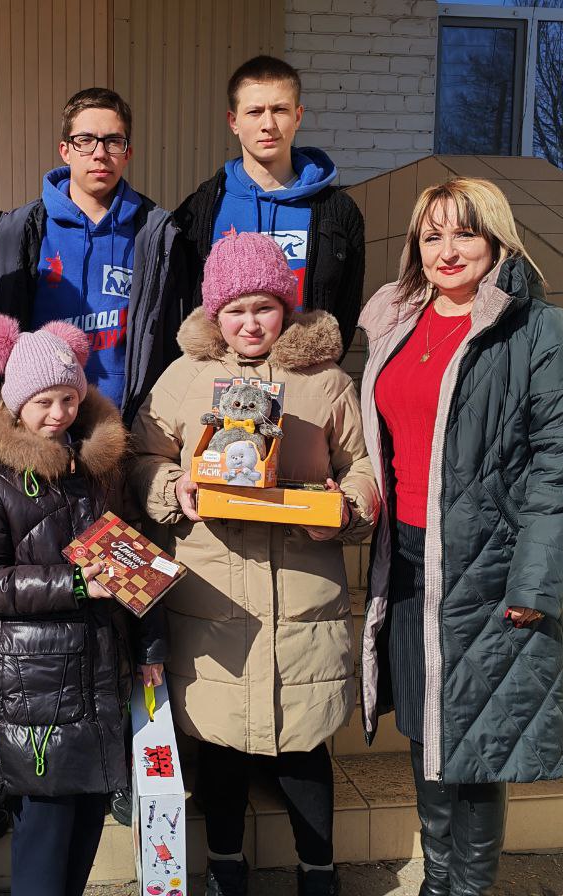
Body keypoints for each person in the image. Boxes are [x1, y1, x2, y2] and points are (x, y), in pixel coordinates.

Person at [356, 177, 563, 895]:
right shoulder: (396, 319)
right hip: (407, 557)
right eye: (432, 235)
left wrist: (536, 581)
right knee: (427, 728)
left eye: (464, 232)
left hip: (492, 565)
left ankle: (467, 888)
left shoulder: (537, 328)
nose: (448, 250)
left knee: (478, 737)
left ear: (496, 240)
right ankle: (437, 882)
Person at [128, 232, 379, 896]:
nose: (249, 323)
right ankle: (226, 866)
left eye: (264, 307)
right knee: (220, 747)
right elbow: (142, 456)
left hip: (302, 597)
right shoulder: (184, 377)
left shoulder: (325, 381)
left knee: (305, 745)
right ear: (215, 314)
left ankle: (318, 870)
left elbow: (362, 467)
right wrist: (172, 489)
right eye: (234, 310)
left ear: (286, 307)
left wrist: (345, 508)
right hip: (214, 597)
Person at [0, 315, 167, 896]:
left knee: (86, 831)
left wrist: (150, 649)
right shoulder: (0, 486)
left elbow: (135, 565)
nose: (58, 414)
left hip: (101, 678)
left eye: (69, 399)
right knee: (45, 841)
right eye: (43, 402)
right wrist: (71, 583)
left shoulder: (100, 474)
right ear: (17, 406)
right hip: (37, 689)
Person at [0, 86, 197, 425]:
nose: (100, 153)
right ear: (65, 150)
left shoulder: (156, 234)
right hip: (45, 426)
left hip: (129, 423)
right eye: (86, 140)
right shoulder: (20, 230)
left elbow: (173, 339)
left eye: (113, 141)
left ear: (128, 152)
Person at [174, 55, 365, 349]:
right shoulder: (199, 210)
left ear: (298, 117)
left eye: (280, 110)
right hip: (220, 371)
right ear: (233, 121)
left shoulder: (338, 212)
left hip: (303, 370)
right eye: (254, 111)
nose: (268, 124)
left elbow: (346, 307)